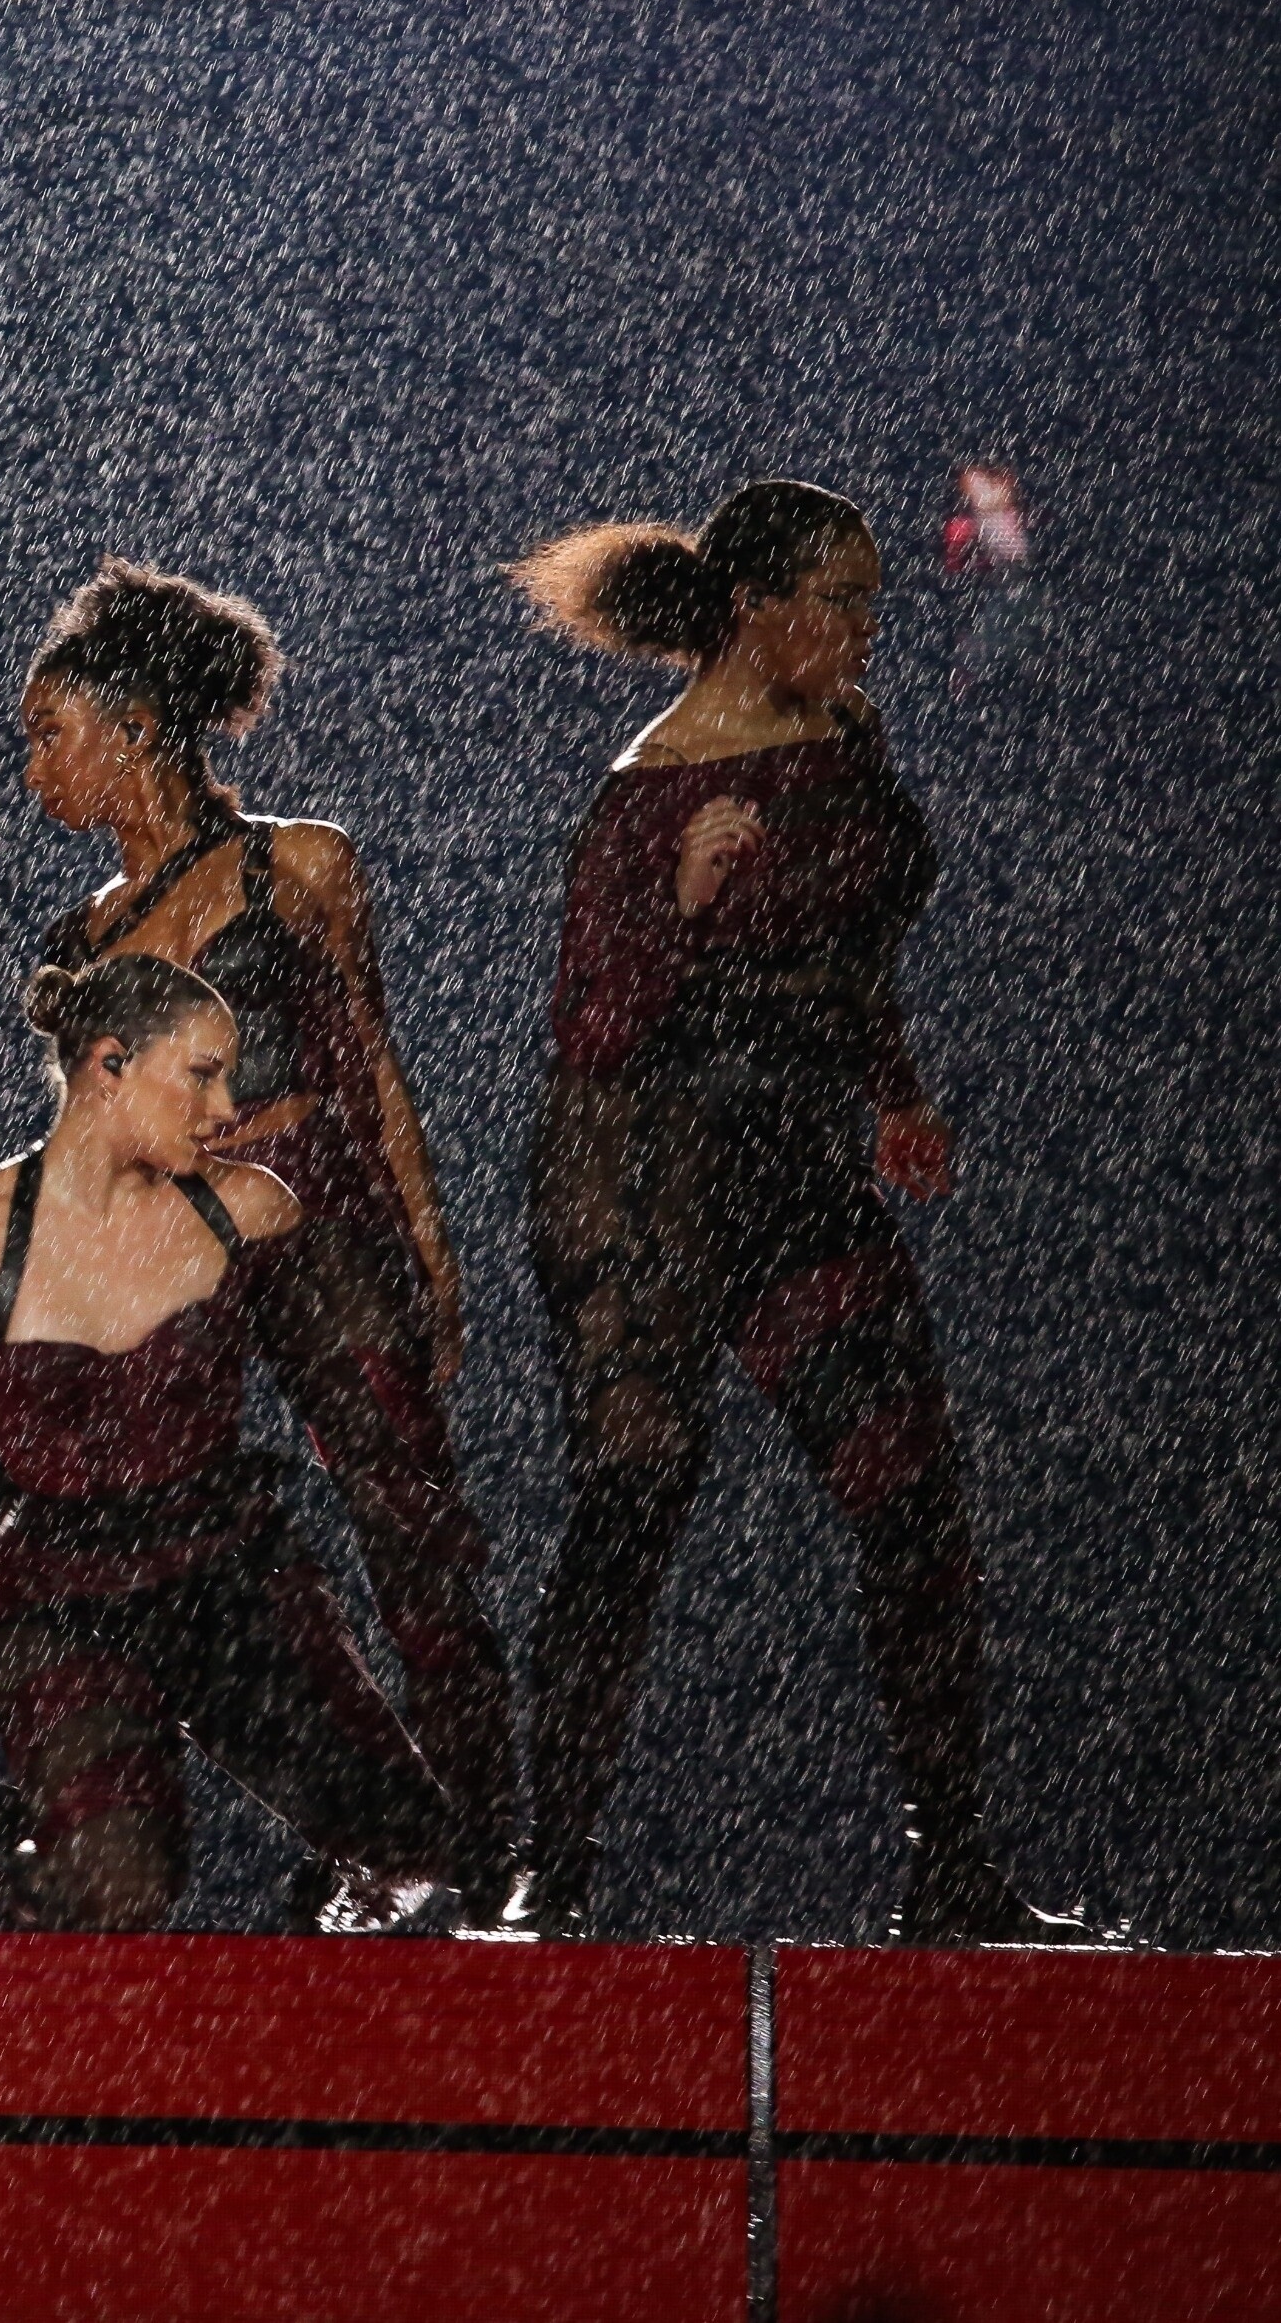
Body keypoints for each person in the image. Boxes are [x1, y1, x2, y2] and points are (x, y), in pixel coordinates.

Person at [0, 561, 515, 1922]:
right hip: (164, 1243)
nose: (33, 767)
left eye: (49, 733)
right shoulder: (85, 935)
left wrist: (428, 1250)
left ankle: (482, 1854)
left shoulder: (296, 864)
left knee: (405, 1512)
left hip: (310, 1207)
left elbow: (373, 1067)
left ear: (134, 728)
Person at [509, 479, 1080, 1942]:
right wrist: (679, 899)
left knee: (909, 1496)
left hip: (793, 1159)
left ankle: (949, 1865)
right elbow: (589, 1028)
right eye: (840, 601)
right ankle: (545, 1869)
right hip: (642, 1172)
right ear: (756, 612)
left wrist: (894, 1091)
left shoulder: (843, 735)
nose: (865, 627)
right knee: (632, 1502)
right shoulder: (648, 787)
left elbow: (850, 951)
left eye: (871, 598)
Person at [0, 956, 468, 1931]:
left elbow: (353, 1416)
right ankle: (0, 1863)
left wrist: (427, 1550)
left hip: (231, 1578)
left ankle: (320, 1957)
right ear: (109, 1066)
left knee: (414, 1844)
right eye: (201, 1074)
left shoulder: (248, 1207)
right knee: (122, 1886)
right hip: (66, 1601)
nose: (225, 1106)